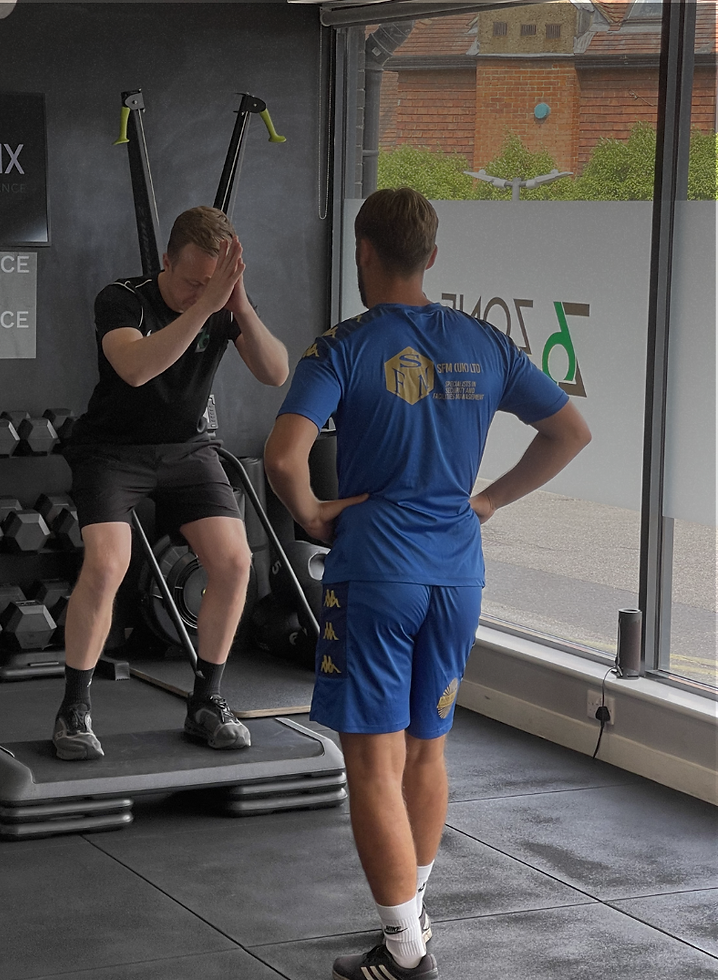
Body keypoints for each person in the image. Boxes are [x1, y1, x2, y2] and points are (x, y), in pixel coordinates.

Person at [263, 187, 591, 980]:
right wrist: (485, 502)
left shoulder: (340, 346)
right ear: (433, 258)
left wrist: (311, 514)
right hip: (456, 576)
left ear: (362, 252)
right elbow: (570, 431)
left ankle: (406, 948)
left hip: (377, 572)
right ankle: (409, 923)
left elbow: (282, 456)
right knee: (427, 752)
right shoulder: (485, 342)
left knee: (370, 763)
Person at [54, 206, 289, 761]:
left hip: (188, 450)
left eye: (211, 282)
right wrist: (206, 306)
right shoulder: (122, 298)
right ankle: (75, 709)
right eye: (189, 281)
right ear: (166, 260)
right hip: (112, 452)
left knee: (235, 563)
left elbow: (275, 371)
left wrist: (239, 308)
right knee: (109, 563)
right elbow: (135, 368)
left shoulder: (222, 300)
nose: (198, 292)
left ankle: (207, 701)